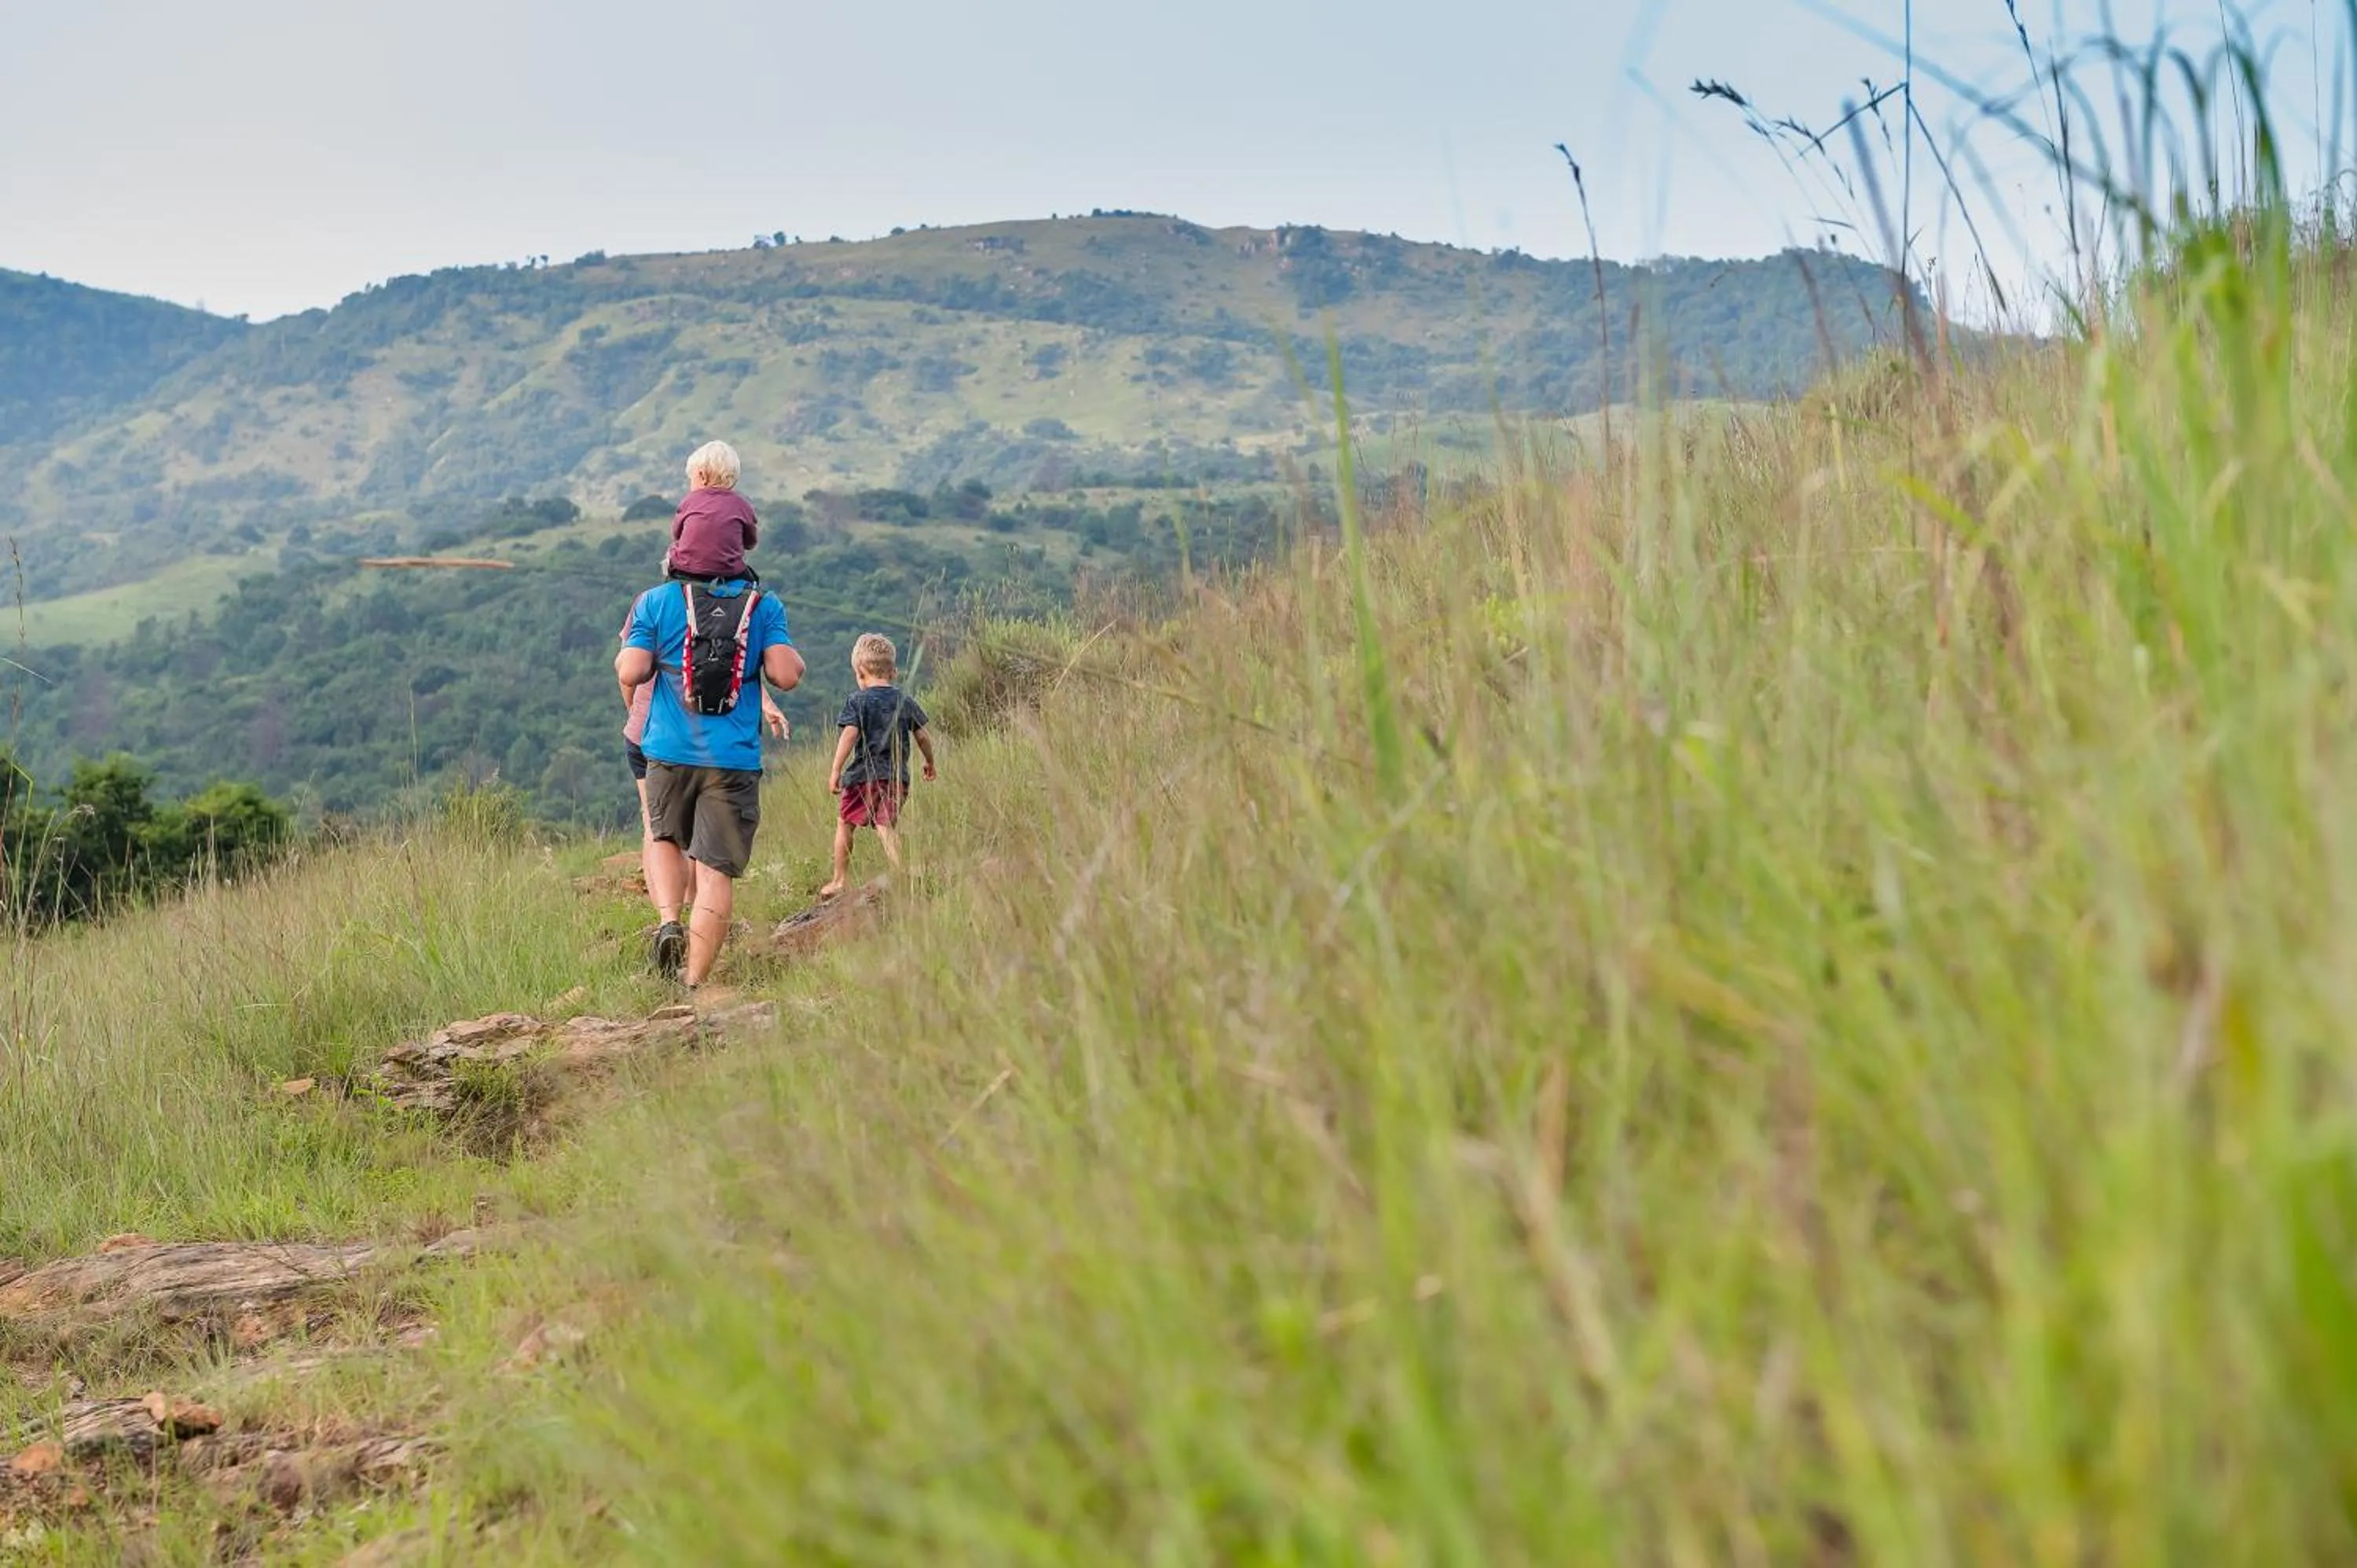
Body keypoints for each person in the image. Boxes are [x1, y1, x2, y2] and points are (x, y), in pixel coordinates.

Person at [617, 575, 804, 989]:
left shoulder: (653, 601)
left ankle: (669, 920)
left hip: (659, 742)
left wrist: (635, 717)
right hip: (730, 755)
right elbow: (779, 674)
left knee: (660, 832)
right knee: (714, 867)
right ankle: (694, 983)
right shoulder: (759, 605)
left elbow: (628, 671)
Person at [821, 632, 936, 899]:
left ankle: (839, 880)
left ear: (860, 674)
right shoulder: (904, 700)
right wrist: (930, 761)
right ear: (893, 672)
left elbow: (849, 736)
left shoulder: (857, 701)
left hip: (862, 777)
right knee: (885, 825)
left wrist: (836, 770)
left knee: (845, 823)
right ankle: (901, 869)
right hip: (897, 778)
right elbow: (922, 735)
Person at [665, 440, 760, 583]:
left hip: (687, 570)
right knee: (752, 580)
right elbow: (750, 542)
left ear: (702, 476)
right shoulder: (743, 506)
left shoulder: (689, 501)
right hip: (729, 572)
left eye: (692, 479)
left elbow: (677, 534)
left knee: (671, 557)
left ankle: (670, 591)